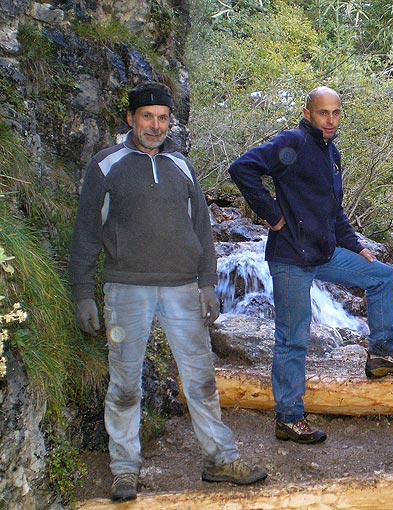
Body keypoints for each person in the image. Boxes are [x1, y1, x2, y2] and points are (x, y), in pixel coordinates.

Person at [69, 82, 267, 501]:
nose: (155, 126)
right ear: (131, 119)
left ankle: (220, 459)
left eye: (162, 118)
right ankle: (125, 470)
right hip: (127, 290)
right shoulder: (106, 166)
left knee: (201, 379)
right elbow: (85, 233)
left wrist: (208, 284)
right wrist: (83, 292)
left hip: (182, 289)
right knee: (125, 384)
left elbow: (201, 231)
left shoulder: (182, 166)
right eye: (147, 117)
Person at [228, 86, 393, 444]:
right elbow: (242, 169)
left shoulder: (332, 153)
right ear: (308, 113)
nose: (330, 120)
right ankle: (289, 418)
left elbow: (334, 210)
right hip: (290, 258)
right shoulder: (294, 142)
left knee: (381, 276)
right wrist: (273, 215)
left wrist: (355, 245)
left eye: (335, 112)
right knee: (292, 337)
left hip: (324, 252)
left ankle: (380, 356)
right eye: (322, 113)